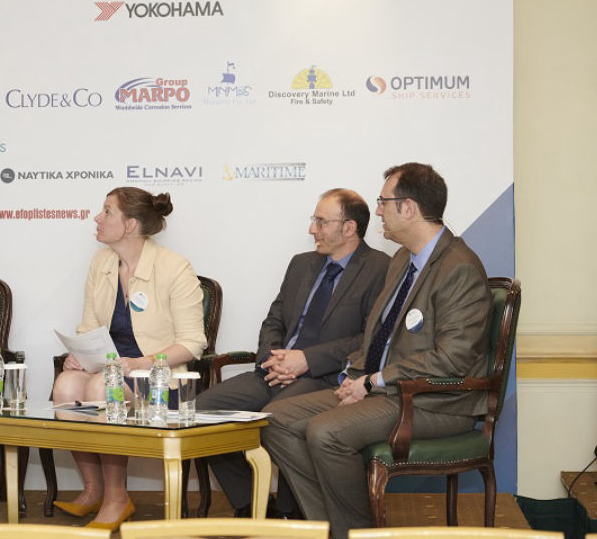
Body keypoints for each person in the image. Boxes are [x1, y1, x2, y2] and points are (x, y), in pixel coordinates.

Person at [261, 163, 492, 539]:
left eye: (384, 202)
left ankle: (356, 532)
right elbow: (377, 336)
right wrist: (353, 376)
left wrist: (373, 381)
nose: (378, 210)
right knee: (276, 420)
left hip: (436, 401)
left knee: (325, 432)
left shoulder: (458, 268)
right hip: (386, 390)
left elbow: (453, 359)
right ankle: (332, 527)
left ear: (408, 208)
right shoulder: (402, 259)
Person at [197, 189, 390, 517]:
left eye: (321, 222)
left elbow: (369, 338)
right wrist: (271, 359)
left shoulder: (380, 268)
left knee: (279, 418)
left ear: (349, 228)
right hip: (274, 371)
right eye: (314, 220)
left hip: (326, 377)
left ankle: (294, 512)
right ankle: (253, 505)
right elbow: (274, 319)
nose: (312, 229)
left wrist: (306, 361)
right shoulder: (302, 264)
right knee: (201, 413)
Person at [52, 187, 207, 531]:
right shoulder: (101, 262)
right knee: (65, 385)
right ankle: (93, 489)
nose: (97, 218)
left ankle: (117, 498)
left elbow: (193, 343)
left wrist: (140, 363)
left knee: (100, 387)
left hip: (159, 378)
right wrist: (77, 355)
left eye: (107, 212)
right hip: (111, 368)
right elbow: (89, 326)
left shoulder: (174, 267)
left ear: (130, 225)